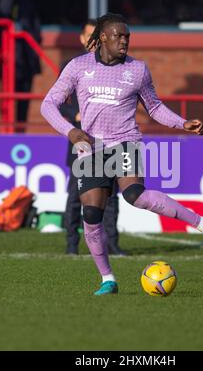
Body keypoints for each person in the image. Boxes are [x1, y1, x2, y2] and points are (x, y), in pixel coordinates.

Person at [41, 12, 203, 296]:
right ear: (103, 37)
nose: (124, 41)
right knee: (91, 215)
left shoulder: (137, 69)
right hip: (90, 149)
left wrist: (182, 123)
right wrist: (71, 132)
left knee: (135, 196)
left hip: (125, 142)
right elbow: (48, 104)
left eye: (127, 36)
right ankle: (108, 279)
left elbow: (153, 108)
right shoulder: (77, 67)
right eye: (119, 35)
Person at [59, 19, 124, 256]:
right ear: (81, 38)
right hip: (82, 141)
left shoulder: (117, 66)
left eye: (95, 35)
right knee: (76, 196)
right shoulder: (72, 65)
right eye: (88, 35)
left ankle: (113, 244)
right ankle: (71, 245)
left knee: (111, 196)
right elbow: (56, 103)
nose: (91, 40)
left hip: (110, 140)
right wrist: (73, 114)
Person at [0, 0, 41, 129]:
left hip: (25, 58)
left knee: (22, 102)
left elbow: (33, 26)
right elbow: (1, 12)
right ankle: (9, 135)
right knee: (6, 103)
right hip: (8, 58)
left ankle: (19, 134)